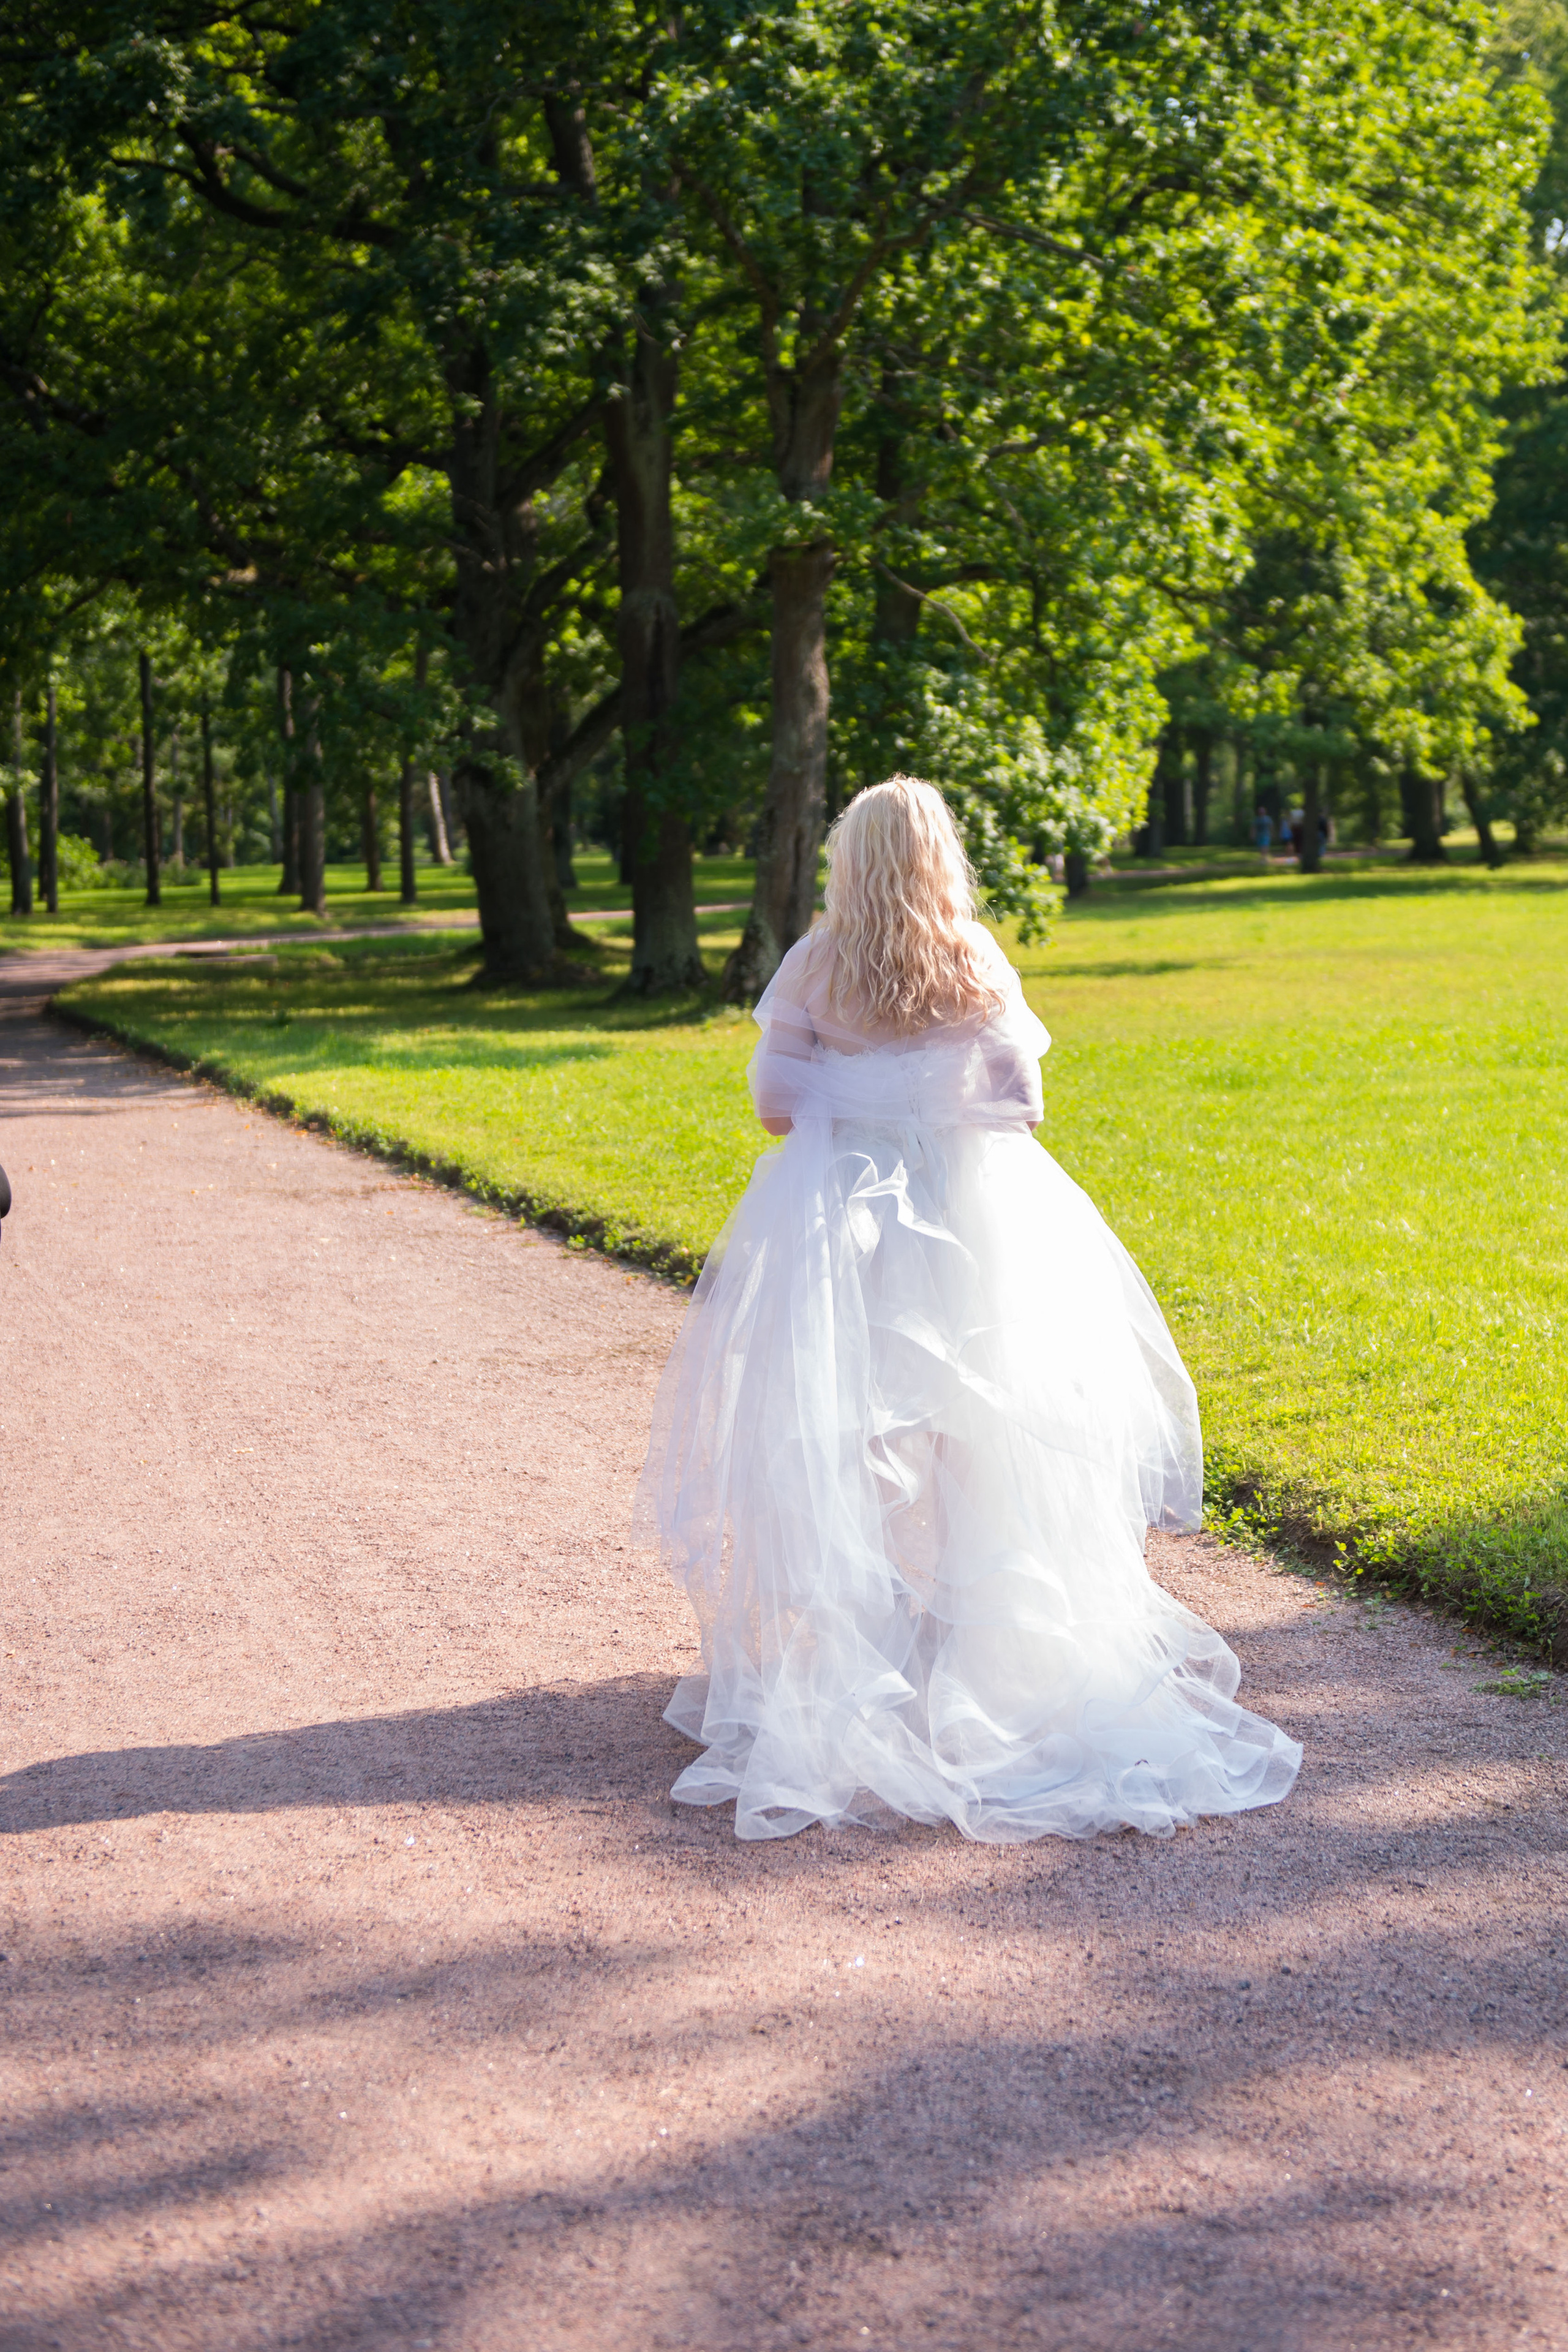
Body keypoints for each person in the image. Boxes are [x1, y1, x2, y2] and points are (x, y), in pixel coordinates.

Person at [636, 776, 1301, 1844]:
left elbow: (773, 1107)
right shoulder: (976, 958)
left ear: (849, 860)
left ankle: (870, 1653)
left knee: (857, 1424)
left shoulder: (815, 961)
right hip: (978, 1217)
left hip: (845, 1219)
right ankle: (979, 1643)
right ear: (942, 857)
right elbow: (1021, 1105)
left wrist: (866, 1098)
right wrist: (929, 1097)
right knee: (987, 1421)